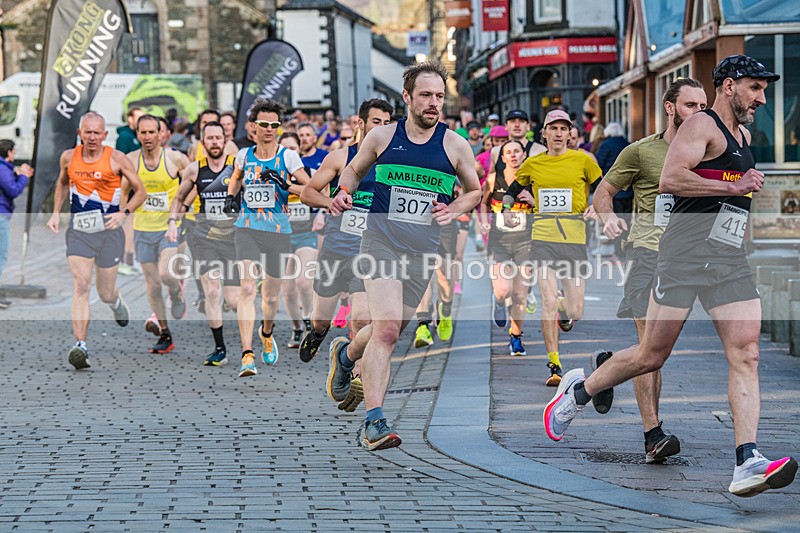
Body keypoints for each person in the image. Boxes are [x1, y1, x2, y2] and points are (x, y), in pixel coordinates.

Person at [544, 55, 798, 498]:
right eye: (755, 88)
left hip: (727, 260)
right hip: (681, 258)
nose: (761, 97)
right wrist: (732, 188)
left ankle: (747, 460)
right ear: (729, 86)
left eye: (763, 89)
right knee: (650, 356)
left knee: (748, 353)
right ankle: (577, 393)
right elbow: (670, 178)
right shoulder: (702, 125)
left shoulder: (742, 134)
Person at [326, 61, 481, 451]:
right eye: (426, 95)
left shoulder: (454, 144)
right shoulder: (381, 136)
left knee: (385, 327)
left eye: (439, 96)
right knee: (389, 330)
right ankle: (374, 422)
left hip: (422, 251)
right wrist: (343, 192)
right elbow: (353, 172)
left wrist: (456, 208)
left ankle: (345, 355)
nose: (434, 103)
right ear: (407, 97)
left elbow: (475, 191)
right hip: (379, 241)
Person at [592, 77, 707, 463]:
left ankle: (609, 369)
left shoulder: (712, 152)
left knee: (655, 353)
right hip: (647, 254)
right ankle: (652, 435)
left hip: (687, 261)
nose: (699, 113)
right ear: (670, 107)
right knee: (649, 350)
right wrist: (608, 220)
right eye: (691, 105)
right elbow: (603, 192)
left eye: (704, 107)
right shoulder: (641, 152)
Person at [299, 98, 394, 412]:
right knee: (320, 316)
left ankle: (353, 373)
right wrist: (331, 203)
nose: (382, 128)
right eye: (376, 122)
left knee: (363, 316)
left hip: (369, 252)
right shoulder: (341, 157)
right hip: (336, 250)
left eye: (387, 123)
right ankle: (319, 332)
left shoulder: (393, 163)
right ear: (361, 124)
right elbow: (308, 192)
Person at [502, 110, 601, 386]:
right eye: (553, 128)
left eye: (563, 128)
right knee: (546, 300)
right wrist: (508, 209)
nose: (558, 133)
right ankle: (554, 364)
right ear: (543, 133)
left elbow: (604, 188)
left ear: (570, 134)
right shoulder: (533, 164)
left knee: (575, 310)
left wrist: (597, 204)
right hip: (543, 238)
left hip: (574, 239)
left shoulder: (583, 160)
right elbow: (512, 189)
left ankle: (564, 308)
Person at [47, 112, 146, 369]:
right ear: (80, 133)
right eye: (87, 132)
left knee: (104, 292)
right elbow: (62, 184)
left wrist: (123, 214)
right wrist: (56, 214)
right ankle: (81, 345)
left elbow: (141, 192)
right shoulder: (68, 157)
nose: (92, 137)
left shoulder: (117, 158)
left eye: (97, 132)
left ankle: (115, 301)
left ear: (104, 134)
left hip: (109, 233)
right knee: (81, 284)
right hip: (79, 231)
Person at [224, 98, 310, 378]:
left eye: (274, 125)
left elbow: (309, 187)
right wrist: (230, 197)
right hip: (247, 229)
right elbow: (236, 177)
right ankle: (247, 355)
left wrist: (286, 184)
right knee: (248, 288)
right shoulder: (244, 155)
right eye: (264, 124)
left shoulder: (288, 157)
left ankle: (266, 332)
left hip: (278, 233)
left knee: (270, 298)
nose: (269, 129)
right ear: (253, 126)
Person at [167, 120, 240, 365]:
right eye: (209, 138)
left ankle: (252, 338)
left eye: (218, 138)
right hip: (204, 238)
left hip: (233, 238)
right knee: (212, 290)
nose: (215, 142)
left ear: (225, 140)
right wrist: (171, 223)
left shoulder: (236, 167)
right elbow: (179, 198)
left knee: (233, 300)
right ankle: (219, 348)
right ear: (203, 142)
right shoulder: (195, 170)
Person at [128, 114, 191, 354]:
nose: (147, 137)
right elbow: (124, 196)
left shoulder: (175, 158)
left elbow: (193, 183)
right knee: (152, 285)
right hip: (143, 229)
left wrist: (183, 209)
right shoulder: (132, 161)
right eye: (142, 133)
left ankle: (176, 293)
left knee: (166, 274)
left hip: (169, 227)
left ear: (161, 134)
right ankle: (165, 333)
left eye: (151, 132)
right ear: (138, 135)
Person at [479, 139, 533, 355]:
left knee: (520, 295)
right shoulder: (493, 180)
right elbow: (483, 202)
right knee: (503, 290)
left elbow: (544, 207)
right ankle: (499, 302)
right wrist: (483, 221)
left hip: (526, 241)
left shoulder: (533, 180)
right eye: (508, 152)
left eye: (517, 151)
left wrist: (533, 199)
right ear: (502, 158)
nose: (512, 155)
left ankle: (516, 336)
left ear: (524, 155)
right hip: (500, 241)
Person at [0, 140, 33, 309]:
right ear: (9, 152)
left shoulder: (4, 168)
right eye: (13, 151)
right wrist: (24, 177)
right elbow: (13, 190)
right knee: (1, 255)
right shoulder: (2, 168)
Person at [595, 122, 631, 259]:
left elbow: (598, 165)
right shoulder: (628, 144)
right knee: (627, 222)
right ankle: (625, 251)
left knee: (615, 221)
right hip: (629, 190)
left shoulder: (605, 145)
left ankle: (618, 253)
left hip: (612, 191)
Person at [116, 106, 144, 277]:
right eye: (138, 117)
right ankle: (126, 260)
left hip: (136, 185)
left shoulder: (136, 136)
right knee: (128, 224)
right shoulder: (125, 137)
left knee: (133, 225)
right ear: (130, 119)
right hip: (126, 186)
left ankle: (130, 258)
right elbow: (121, 160)